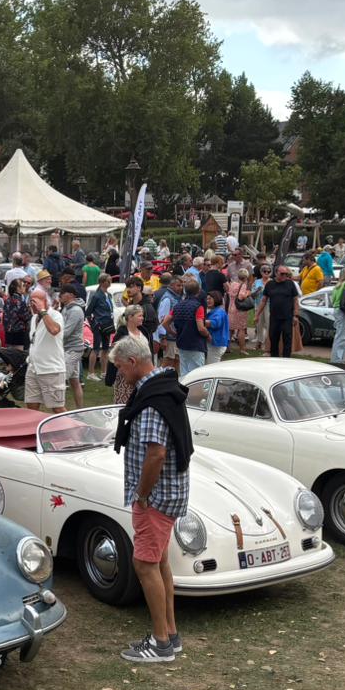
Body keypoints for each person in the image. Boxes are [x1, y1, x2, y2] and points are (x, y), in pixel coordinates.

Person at [109, 334, 191, 664]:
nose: (118, 374)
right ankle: (169, 634)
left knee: (144, 563)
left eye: (119, 367)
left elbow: (155, 453)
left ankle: (160, 644)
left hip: (156, 497)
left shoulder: (153, 400)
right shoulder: (164, 389)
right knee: (159, 562)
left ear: (132, 362)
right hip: (171, 491)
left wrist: (142, 495)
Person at [25, 286, 66, 413]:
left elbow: (54, 330)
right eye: (31, 301)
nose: (33, 304)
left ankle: (73, 431)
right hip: (33, 368)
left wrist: (42, 311)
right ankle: (34, 431)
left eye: (36, 301)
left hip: (51, 370)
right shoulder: (33, 318)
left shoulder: (56, 315)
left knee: (57, 408)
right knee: (32, 406)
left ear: (45, 302)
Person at [167, 279, 209, 376]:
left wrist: (173, 332)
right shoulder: (199, 307)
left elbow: (165, 322)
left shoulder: (177, 306)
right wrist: (208, 335)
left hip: (182, 343)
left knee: (184, 372)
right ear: (198, 291)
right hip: (196, 344)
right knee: (197, 374)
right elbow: (201, 328)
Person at [262, 266, 300, 359]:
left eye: (286, 274)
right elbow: (264, 300)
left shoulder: (290, 284)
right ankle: (274, 357)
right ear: (276, 273)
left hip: (287, 317)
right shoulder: (270, 284)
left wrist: (295, 315)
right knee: (273, 338)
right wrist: (257, 314)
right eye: (282, 274)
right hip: (274, 317)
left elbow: (295, 300)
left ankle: (286, 358)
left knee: (287, 338)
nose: (284, 276)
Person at [204, 290, 230, 365]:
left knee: (211, 367)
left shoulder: (219, 312)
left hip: (216, 344)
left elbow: (215, 323)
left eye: (210, 299)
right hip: (216, 343)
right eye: (207, 299)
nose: (208, 301)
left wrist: (198, 321)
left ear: (216, 299)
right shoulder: (214, 311)